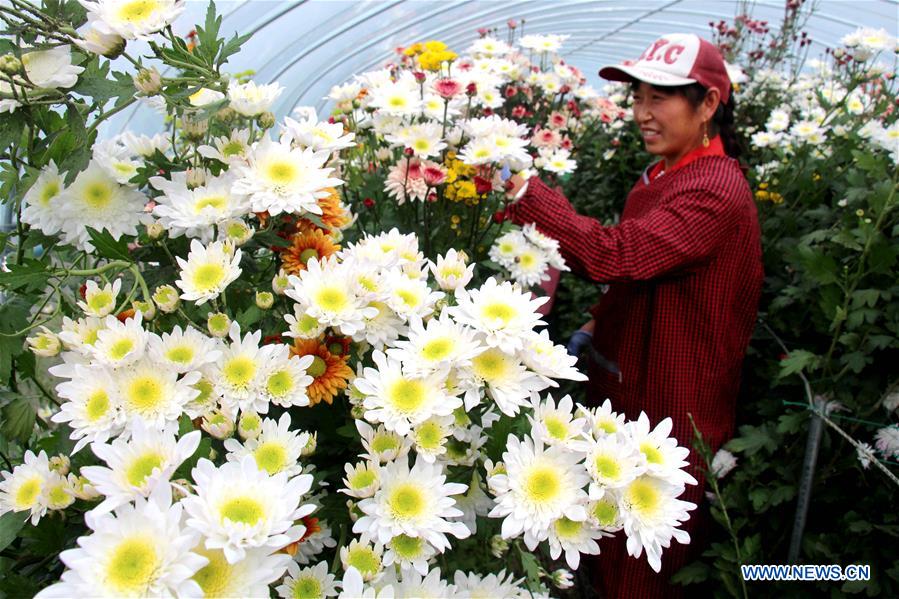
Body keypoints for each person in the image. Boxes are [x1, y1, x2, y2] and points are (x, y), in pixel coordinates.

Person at [504, 33, 764, 598]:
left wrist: (525, 191)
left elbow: (618, 255)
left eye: (660, 99)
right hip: (628, 381)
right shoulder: (661, 176)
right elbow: (635, 271)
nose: (643, 114)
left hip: (675, 398)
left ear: (709, 105)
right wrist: (595, 323)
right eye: (638, 97)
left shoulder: (714, 190)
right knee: (602, 531)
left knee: (641, 559)